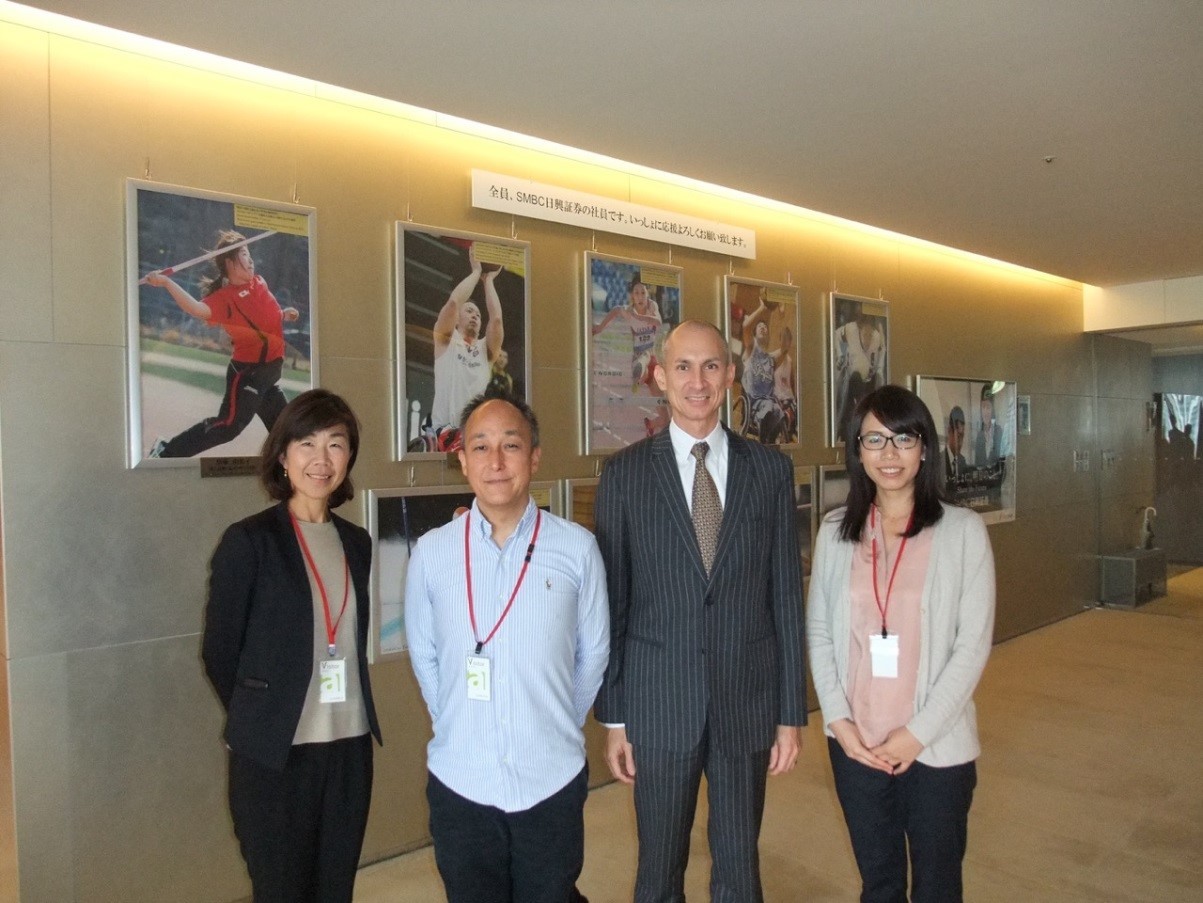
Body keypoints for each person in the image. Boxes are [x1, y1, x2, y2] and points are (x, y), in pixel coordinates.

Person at [593, 319, 806, 902]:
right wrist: (615, 717)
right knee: (659, 868)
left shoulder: (770, 471)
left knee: (739, 865)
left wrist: (790, 712)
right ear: (660, 376)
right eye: (683, 367)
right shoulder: (625, 475)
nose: (697, 381)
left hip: (746, 700)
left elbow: (786, 597)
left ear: (731, 375)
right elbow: (614, 603)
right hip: (658, 704)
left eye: (711, 366)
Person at [405, 393, 610, 903]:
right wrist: (457, 721)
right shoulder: (433, 552)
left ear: (534, 457)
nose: (495, 461)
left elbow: (594, 653)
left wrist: (553, 719)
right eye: (481, 446)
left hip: (551, 779)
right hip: (461, 782)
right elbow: (424, 654)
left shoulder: (576, 548)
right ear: (463, 460)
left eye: (511, 445)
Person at [807, 385, 995, 903]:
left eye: (903, 439)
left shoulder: (963, 532)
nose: (889, 454)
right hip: (857, 745)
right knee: (880, 884)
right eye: (874, 440)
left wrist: (918, 734)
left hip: (935, 747)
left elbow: (972, 646)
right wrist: (838, 721)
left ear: (925, 448)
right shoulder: (835, 532)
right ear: (858, 450)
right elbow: (820, 633)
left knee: (937, 887)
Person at [202, 389, 382, 902]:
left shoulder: (357, 543)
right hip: (275, 756)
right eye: (307, 443)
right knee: (281, 890)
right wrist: (261, 715)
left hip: (348, 750)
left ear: (349, 456)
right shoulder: (249, 541)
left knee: (335, 890)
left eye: (336, 444)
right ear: (282, 455)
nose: (321, 459)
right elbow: (219, 651)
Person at [145, 230, 300, 458]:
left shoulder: (259, 282)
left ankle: (287, 472)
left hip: (268, 375)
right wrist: (167, 282)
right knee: (228, 426)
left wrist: (284, 314)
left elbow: (267, 316)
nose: (251, 260)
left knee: (287, 433)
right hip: (248, 375)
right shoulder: (226, 299)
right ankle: (165, 451)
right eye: (244, 255)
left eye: (249, 254)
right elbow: (196, 308)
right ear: (229, 263)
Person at [430, 244, 505, 435]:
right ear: (456, 320)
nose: (474, 316)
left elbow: (496, 320)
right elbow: (453, 303)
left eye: (478, 315)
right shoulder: (446, 340)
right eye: (469, 311)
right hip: (443, 434)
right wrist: (476, 272)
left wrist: (488, 280)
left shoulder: (485, 351)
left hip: (472, 435)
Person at [592, 277, 663, 393]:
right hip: (638, 355)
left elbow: (658, 321)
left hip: (652, 356)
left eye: (643, 293)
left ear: (648, 294)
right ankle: (639, 377)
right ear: (632, 296)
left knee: (659, 397)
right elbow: (616, 310)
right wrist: (600, 327)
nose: (640, 297)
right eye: (636, 293)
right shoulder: (629, 311)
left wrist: (640, 317)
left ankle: (641, 374)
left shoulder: (652, 306)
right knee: (640, 366)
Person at [740, 297, 790, 443]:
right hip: (753, 405)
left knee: (778, 410)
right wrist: (762, 308)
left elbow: (785, 347)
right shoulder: (751, 349)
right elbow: (746, 327)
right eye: (759, 326)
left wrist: (782, 316)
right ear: (755, 333)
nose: (763, 327)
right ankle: (765, 444)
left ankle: (769, 444)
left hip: (769, 405)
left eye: (765, 327)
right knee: (770, 408)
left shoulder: (771, 359)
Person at [834, 309, 886, 445]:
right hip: (850, 381)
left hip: (867, 382)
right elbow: (836, 335)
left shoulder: (876, 336)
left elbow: (882, 351)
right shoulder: (850, 329)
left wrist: (878, 370)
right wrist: (839, 355)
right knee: (846, 409)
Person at [973, 385, 1002, 466]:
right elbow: (977, 464)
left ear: (993, 409)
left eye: (988, 407)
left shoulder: (999, 432)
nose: (985, 412)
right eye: (983, 407)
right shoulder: (979, 436)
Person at [943, 405, 968, 493]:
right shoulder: (938, 461)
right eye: (958, 436)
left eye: (962, 436)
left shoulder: (962, 461)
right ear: (949, 431)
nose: (960, 443)